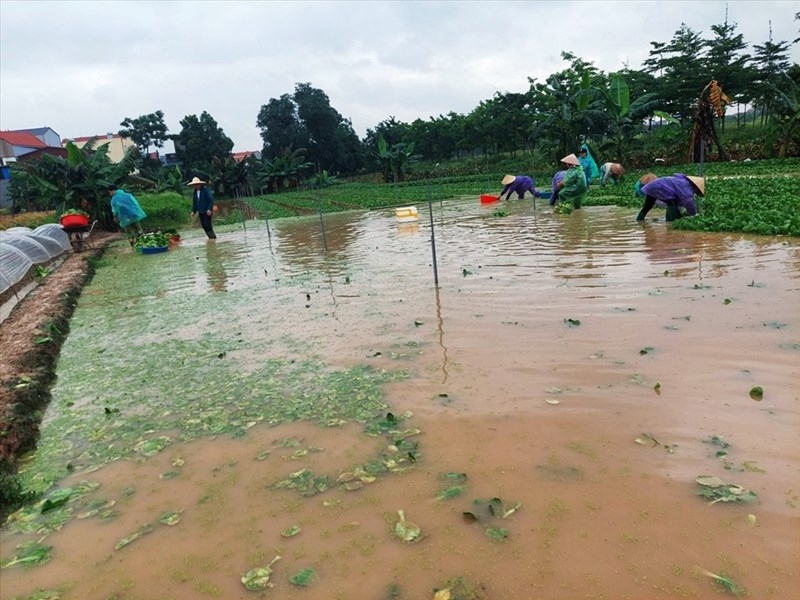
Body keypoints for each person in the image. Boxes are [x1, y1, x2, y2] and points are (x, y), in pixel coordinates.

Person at [636, 173, 704, 222]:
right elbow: (688, 202)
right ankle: (669, 222)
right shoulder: (686, 186)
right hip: (659, 187)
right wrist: (694, 215)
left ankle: (639, 220)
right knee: (671, 202)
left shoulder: (683, 182)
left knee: (648, 206)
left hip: (653, 186)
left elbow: (679, 200)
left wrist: (679, 213)